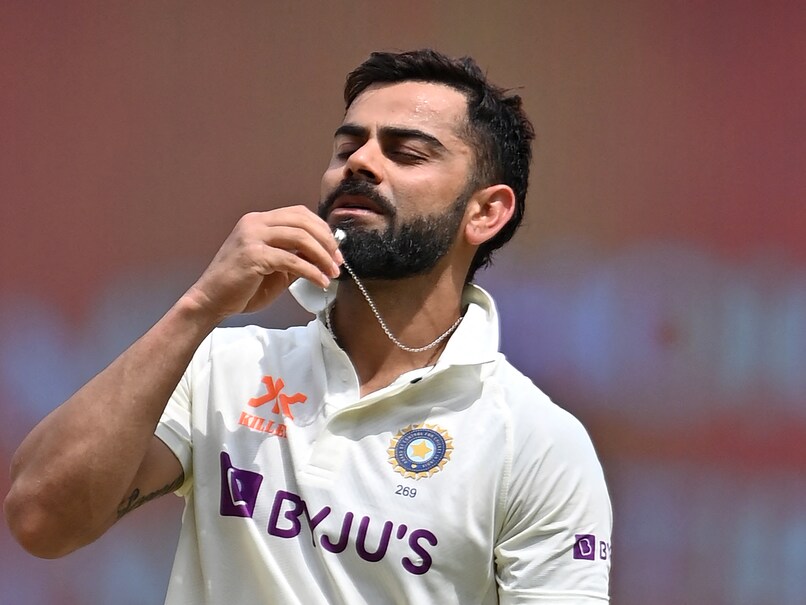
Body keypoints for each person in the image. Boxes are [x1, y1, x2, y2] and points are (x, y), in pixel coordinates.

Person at [4, 49, 612, 603]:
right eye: (347, 148)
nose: (361, 163)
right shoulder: (225, 365)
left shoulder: (536, 441)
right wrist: (199, 306)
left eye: (406, 152)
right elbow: (40, 521)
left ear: (485, 212)